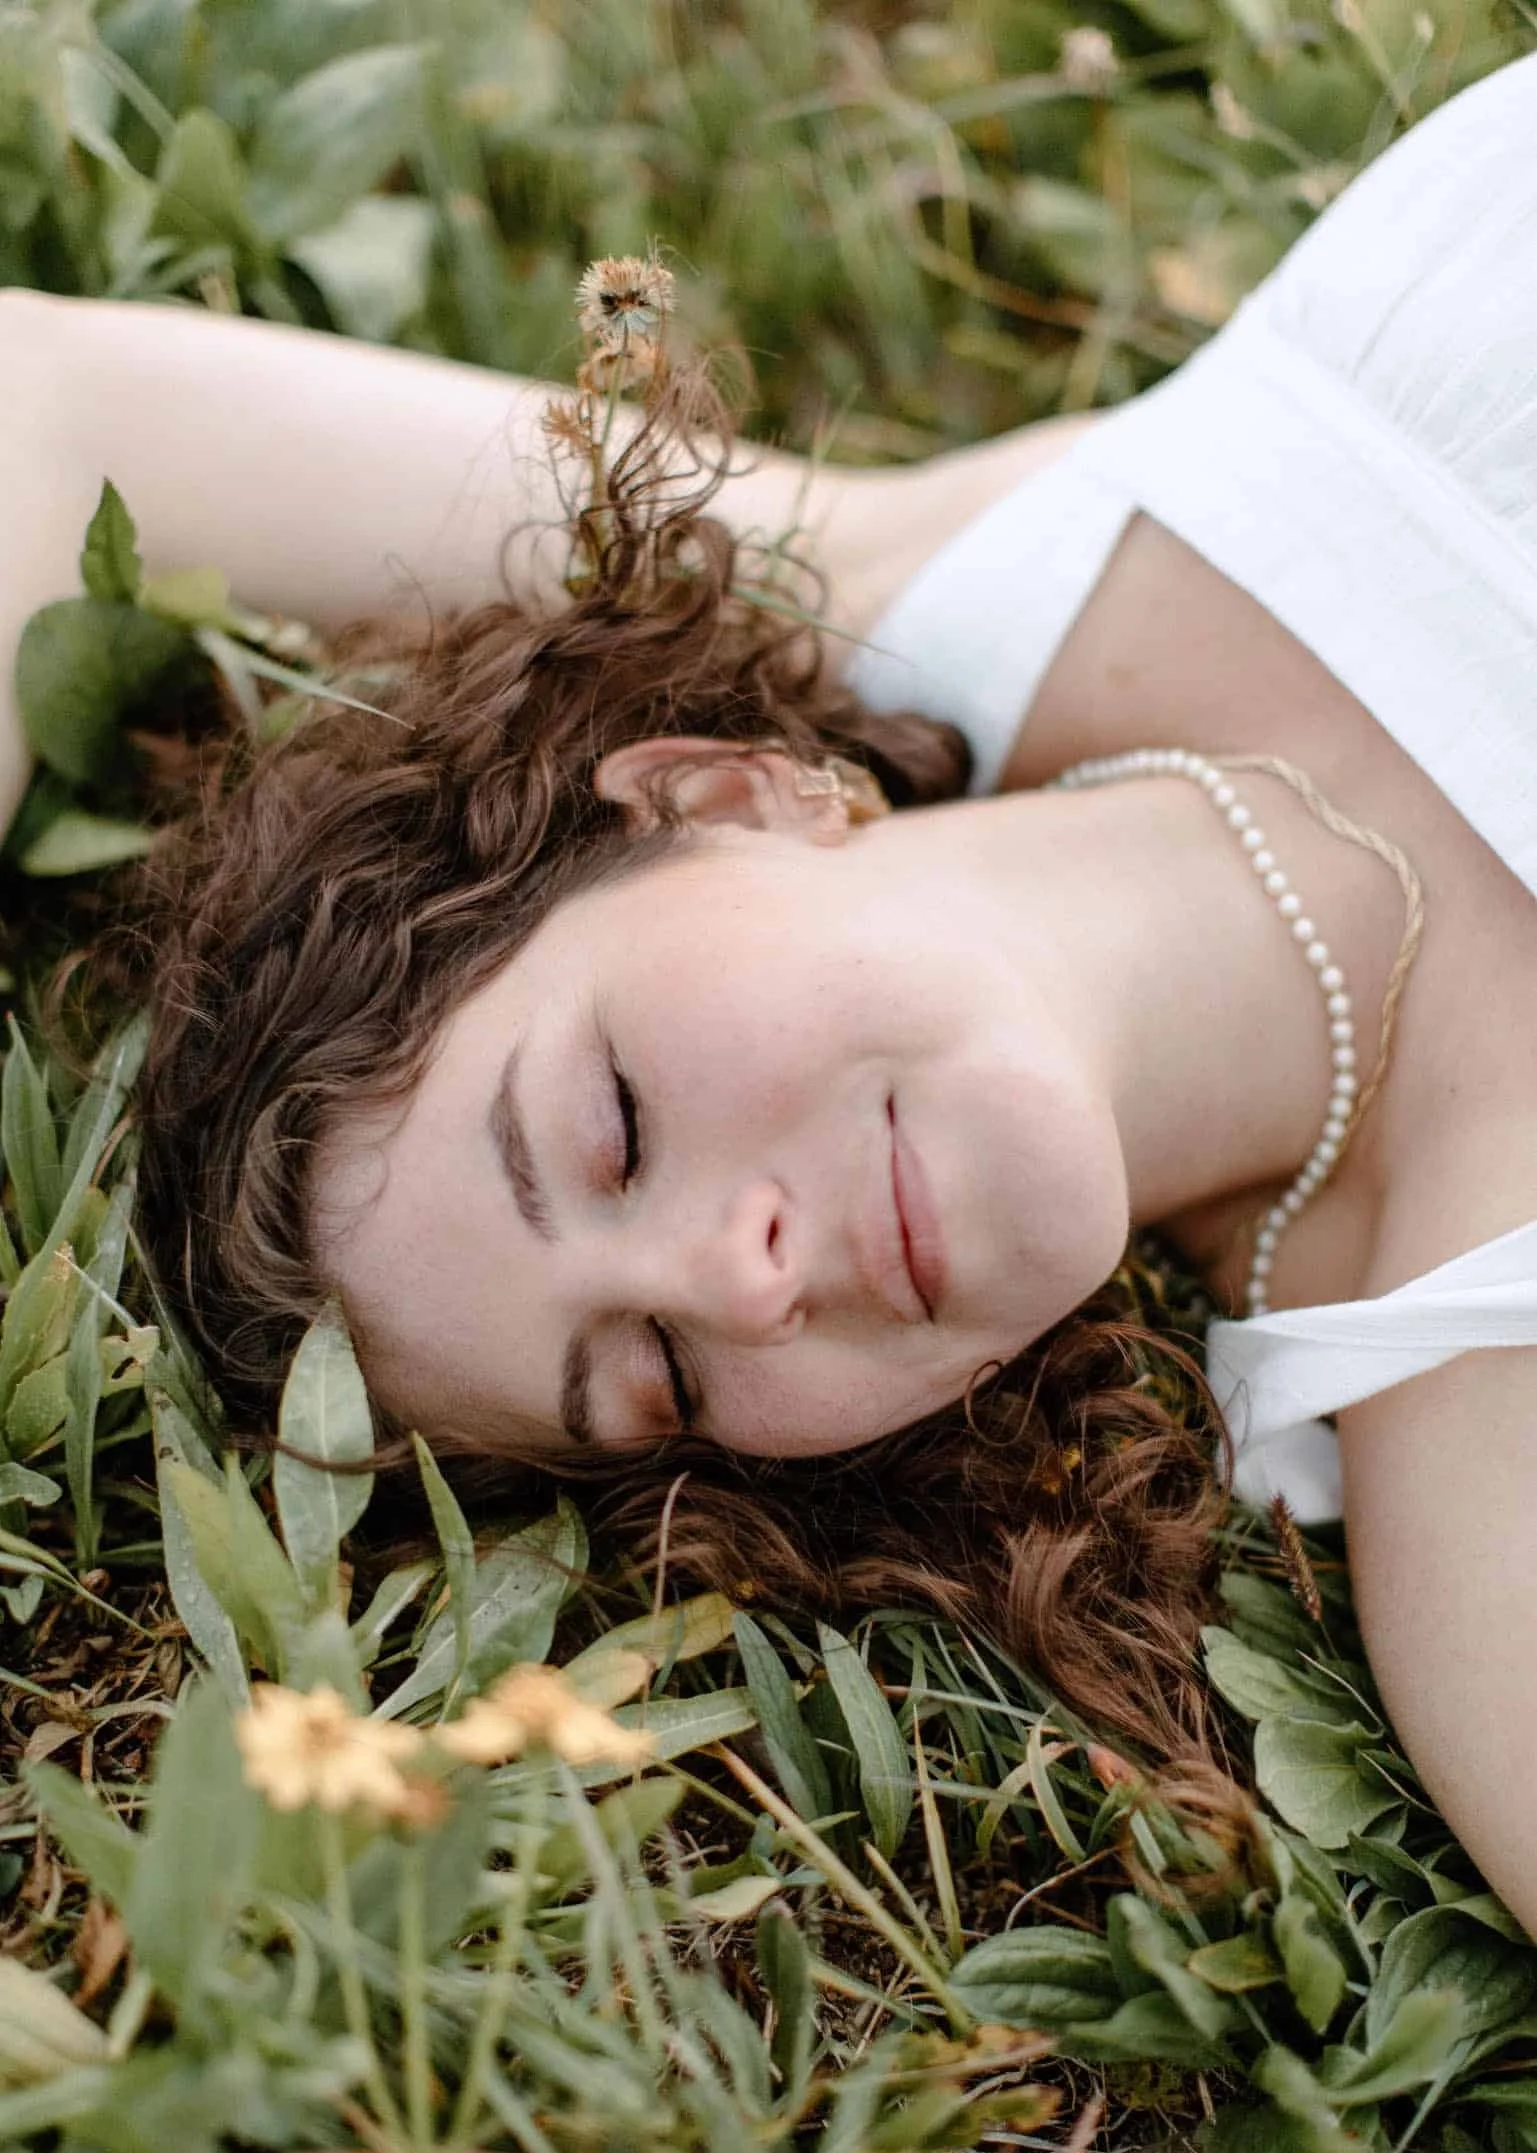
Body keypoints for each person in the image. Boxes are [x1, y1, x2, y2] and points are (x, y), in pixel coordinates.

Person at [6, 41, 1537, 1962]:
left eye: (614, 1124)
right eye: (661, 1378)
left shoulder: (954, 575)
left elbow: (43, 407)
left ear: (720, 797)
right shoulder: (1482, 1476)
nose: (740, 1286)